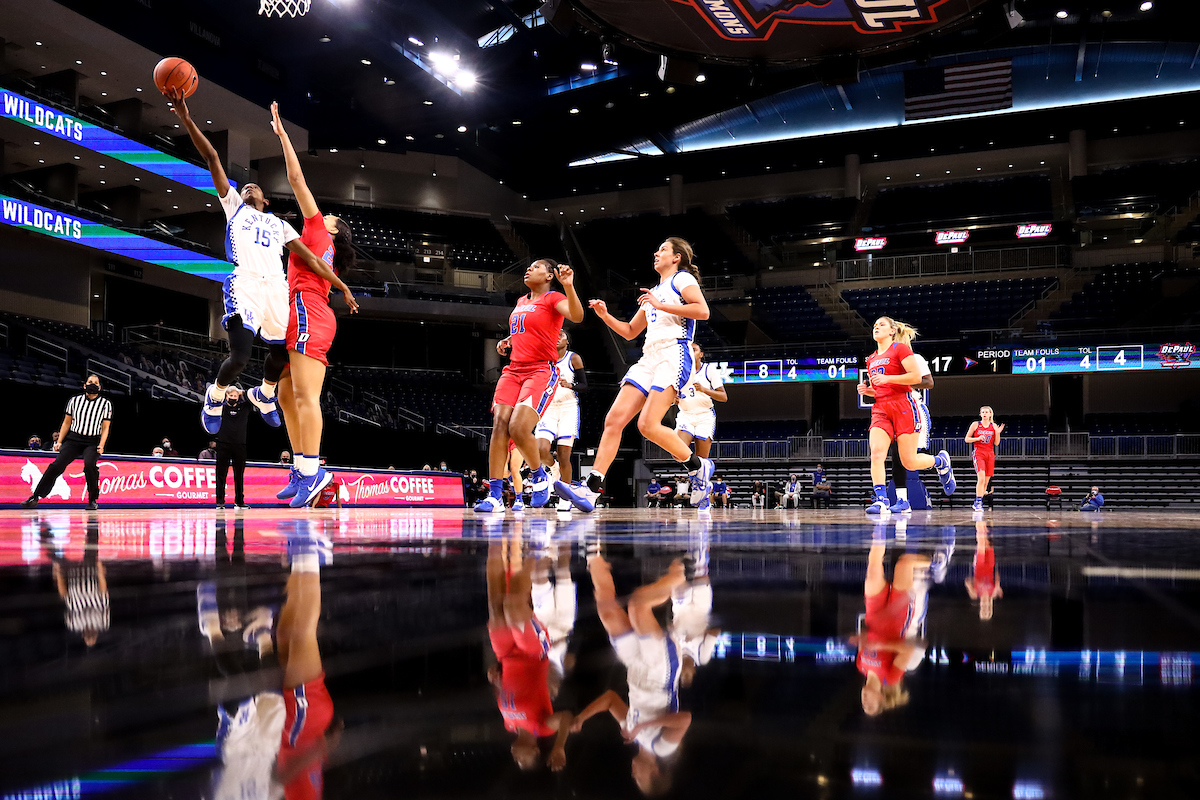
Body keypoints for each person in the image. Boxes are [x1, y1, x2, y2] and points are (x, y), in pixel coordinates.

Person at [166, 87, 339, 439]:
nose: (248, 188)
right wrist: (185, 117)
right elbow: (213, 157)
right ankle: (214, 397)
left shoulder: (279, 224)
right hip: (245, 282)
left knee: (283, 354)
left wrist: (343, 287)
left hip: (276, 287)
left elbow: (310, 258)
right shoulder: (234, 206)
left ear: (265, 200)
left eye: (254, 188)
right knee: (241, 357)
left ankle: (264, 393)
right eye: (244, 187)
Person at [558, 238, 715, 512]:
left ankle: (697, 467)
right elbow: (631, 331)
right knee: (613, 420)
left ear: (677, 257)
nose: (656, 253)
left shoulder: (682, 279)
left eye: (663, 249)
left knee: (647, 425)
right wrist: (606, 316)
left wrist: (662, 305)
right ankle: (592, 488)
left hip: (674, 352)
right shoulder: (654, 291)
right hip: (649, 357)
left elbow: (702, 311)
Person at [267, 102, 360, 509]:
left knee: (305, 397)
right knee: (287, 395)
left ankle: (312, 471)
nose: (325, 215)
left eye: (331, 216)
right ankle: (302, 469)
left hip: (309, 310)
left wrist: (285, 137)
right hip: (299, 310)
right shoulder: (318, 244)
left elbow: (295, 178)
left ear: (333, 229)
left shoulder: (317, 229)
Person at [573, 555, 691, 795]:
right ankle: (678, 573)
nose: (633, 775)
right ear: (656, 772)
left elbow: (609, 700)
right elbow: (684, 720)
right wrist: (644, 725)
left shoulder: (634, 735)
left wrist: (582, 718)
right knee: (638, 606)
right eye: (640, 779)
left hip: (635, 667)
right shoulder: (662, 748)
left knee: (607, 611)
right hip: (660, 671)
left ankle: (594, 555)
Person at [475, 259, 584, 513]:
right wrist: (509, 339)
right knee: (499, 424)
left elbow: (577, 316)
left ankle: (538, 475)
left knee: (517, 426)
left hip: (539, 370)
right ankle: (494, 497)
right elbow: (529, 330)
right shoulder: (522, 301)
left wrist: (569, 285)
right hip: (513, 370)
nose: (529, 269)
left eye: (536, 267)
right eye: (529, 267)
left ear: (548, 276)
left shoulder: (553, 297)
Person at [486, 530, 574, 771]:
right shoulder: (543, 727)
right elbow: (566, 718)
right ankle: (536, 551)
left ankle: (495, 539)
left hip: (505, 655)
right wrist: (559, 746)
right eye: (522, 761)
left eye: (516, 760)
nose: (516, 758)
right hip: (533, 653)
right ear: (535, 751)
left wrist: (495, 679)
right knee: (513, 603)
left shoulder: (509, 725)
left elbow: (506, 691)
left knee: (496, 606)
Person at [857, 317, 955, 514]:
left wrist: (887, 378)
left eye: (881, 324)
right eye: (874, 325)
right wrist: (870, 392)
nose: (876, 327)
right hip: (881, 408)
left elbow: (918, 378)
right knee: (876, 453)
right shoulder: (871, 359)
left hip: (904, 406)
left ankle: (940, 462)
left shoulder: (901, 349)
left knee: (908, 461)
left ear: (892, 331)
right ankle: (881, 500)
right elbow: (884, 389)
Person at [852, 536, 929, 716]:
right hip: (898, 615)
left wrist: (860, 638)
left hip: (874, 611)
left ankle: (880, 524)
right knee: (904, 563)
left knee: (873, 566)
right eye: (870, 705)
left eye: (864, 705)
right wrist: (882, 646)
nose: (865, 702)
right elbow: (907, 650)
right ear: (880, 698)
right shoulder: (891, 678)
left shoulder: (860, 666)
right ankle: (934, 565)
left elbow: (868, 637)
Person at [22, 375, 112, 510]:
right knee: (56, 465)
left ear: (99, 387)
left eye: (95, 383)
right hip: (74, 439)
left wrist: (101, 445)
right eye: (90, 382)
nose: (92, 384)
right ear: (84, 385)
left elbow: (105, 427)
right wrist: (59, 441)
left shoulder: (105, 404)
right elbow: (66, 423)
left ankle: (92, 500)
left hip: (92, 441)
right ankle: (35, 496)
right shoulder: (74, 400)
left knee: (89, 466)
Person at [535, 331, 586, 511]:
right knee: (541, 450)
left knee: (565, 456)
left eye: (562, 334)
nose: (557, 336)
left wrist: (570, 385)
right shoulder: (543, 358)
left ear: (568, 341)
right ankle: (552, 467)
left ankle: (565, 498)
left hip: (568, 407)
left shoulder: (574, 358)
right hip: (547, 407)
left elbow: (585, 385)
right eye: (555, 334)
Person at [887, 352, 934, 513]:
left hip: (912, 407)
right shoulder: (882, 360)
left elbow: (929, 382)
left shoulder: (915, 358)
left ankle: (939, 461)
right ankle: (902, 500)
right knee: (895, 456)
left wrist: (902, 382)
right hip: (892, 409)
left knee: (909, 460)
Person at [673, 343, 727, 463]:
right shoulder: (679, 372)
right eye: (689, 350)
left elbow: (723, 397)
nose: (691, 352)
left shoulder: (709, 369)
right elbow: (673, 395)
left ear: (701, 354)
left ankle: (700, 476)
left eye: (694, 350)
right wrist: (674, 399)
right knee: (677, 452)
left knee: (702, 458)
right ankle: (694, 469)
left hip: (704, 416)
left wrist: (704, 389)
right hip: (685, 415)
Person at [215, 387, 251, 510]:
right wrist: (227, 391)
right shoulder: (221, 408)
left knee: (239, 474)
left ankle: (239, 502)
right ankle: (220, 502)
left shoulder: (244, 408)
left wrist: (240, 392)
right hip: (223, 444)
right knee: (221, 474)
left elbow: (251, 397)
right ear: (226, 396)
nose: (233, 398)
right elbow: (214, 396)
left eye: (235, 396)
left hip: (240, 445)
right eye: (231, 396)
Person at [965, 406, 1003, 513]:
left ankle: (977, 501)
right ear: (980, 414)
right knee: (981, 478)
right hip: (979, 453)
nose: (985, 413)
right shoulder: (976, 424)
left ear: (991, 414)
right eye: (983, 412)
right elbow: (967, 439)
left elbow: (996, 443)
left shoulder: (993, 426)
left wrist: (998, 433)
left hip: (990, 454)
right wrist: (977, 438)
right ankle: (978, 503)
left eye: (987, 412)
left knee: (986, 482)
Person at [964, 520, 1002, 620]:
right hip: (990, 566)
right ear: (990, 608)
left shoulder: (974, 594)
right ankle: (986, 522)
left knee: (981, 543)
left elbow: (967, 581)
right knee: (987, 542)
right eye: (987, 610)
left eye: (983, 610)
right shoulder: (993, 594)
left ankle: (979, 520)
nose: (985, 608)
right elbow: (997, 579)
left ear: (980, 608)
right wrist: (998, 586)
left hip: (979, 566)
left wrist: (973, 583)